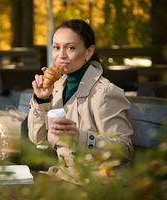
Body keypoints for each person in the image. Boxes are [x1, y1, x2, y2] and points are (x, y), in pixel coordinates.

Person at [28, 19, 133, 176]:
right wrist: (42, 100)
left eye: (70, 48)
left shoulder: (104, 93)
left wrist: (81, 138)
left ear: (88, 52)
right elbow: (38, 139)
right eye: (56, 48)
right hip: (63, 176)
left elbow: (124, 150)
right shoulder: (56, 88)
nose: (61, 55)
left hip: (95, 182)